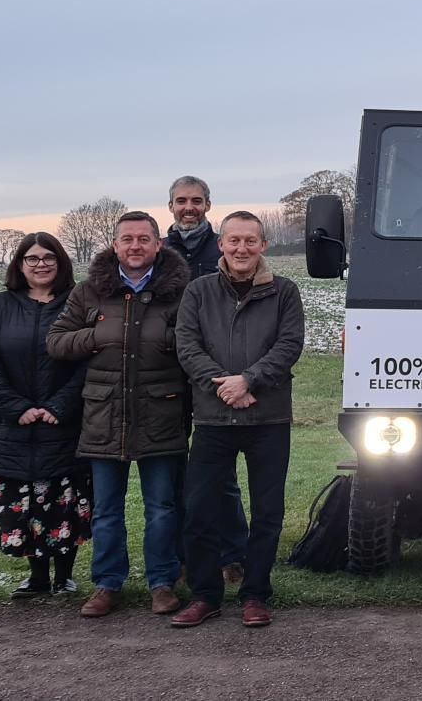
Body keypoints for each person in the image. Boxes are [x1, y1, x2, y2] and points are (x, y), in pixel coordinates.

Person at [47, 211, 193, 618]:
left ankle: (162, 582)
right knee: (107, 509)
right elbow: (56, 341)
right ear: (115, 245)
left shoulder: (180, 292)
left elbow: (195, 346)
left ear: (158, 244)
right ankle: (107, 583)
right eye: (127, 239)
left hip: (160, 412)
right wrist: (96, 335)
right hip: (104, 414)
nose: (135, 246)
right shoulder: (90, 292)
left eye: (144, 239)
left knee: (162, 507)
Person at [169, 211, 307, 629]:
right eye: (234, 241)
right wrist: (223, 387)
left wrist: (249, 380)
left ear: (263, 245)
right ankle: (206, 595)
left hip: (268, 418)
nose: (242, 249)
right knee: (199, 510)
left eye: (251, 241)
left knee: (268, 512)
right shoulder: (198, 292)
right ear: (222, 245)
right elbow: (187, 346)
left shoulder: (284, 292)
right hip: (213, 419)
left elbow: (289, 345)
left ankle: (256, 594)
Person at [0, 232, 91, 599]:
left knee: (63, 500)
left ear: (61, 262)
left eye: (49, 258)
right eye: (32, 258)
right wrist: (16, 408)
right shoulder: (0, 306)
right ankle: (37, 576)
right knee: (23, 504)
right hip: (13, 426)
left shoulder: (78, 303)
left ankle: (65, 576)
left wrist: (60, 406)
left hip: (65, 423)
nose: (41, 264)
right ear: (20, 264)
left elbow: (90, 360)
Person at [161, 174, 248, 586]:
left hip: (219, 374)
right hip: (170, 374)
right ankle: (184, 556)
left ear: (208, 205)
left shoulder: (224, 247)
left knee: (222, 473)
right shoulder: (161, 253)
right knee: (178, 470)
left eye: (196, 200)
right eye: (181, 201)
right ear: (171, 206)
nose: (189, 207)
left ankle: (235, 554)